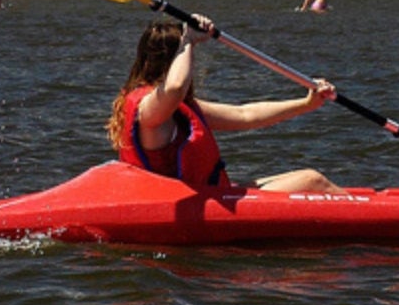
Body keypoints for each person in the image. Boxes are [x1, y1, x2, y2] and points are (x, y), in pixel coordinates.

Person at [106, 17, 342, 194]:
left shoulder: (173, 109)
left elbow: (246, 114)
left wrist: (307, 103)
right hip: (190, 205)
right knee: (313, 181)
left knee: (306, 179)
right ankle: (374, 228)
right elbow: (175, 87)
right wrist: (188, 41)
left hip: (207, 196)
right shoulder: (150, 111)